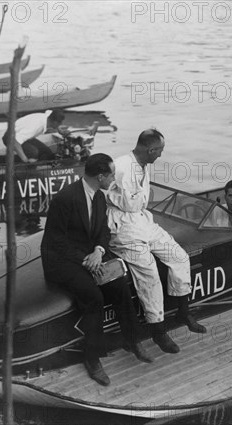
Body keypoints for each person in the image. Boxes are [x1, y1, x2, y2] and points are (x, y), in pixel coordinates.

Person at [41, 153, 153, 387]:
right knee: (93, 297)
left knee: (119, 285)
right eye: (111, 173)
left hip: (91, 255)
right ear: (100, 176)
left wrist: (99, 251)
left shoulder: (100, 198)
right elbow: (55, 241)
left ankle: (132, 340)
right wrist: (86, 259)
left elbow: (103, 230)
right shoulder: (66, 198)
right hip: (61, 261)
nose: (114, 177)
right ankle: (92, 358)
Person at [106, 129, 206, 355]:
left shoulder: (143, 166)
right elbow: (105, 196)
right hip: (122, 227)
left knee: (178, 256)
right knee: (149, 273)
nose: (160, 156)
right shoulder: (121, 167)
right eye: (159, 151)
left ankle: (183, 310)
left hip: (141, 220)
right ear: (150, 149)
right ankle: (157, 329)